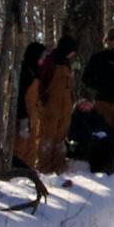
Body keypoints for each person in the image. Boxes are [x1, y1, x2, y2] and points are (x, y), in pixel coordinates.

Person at [37, 36, 77, 174]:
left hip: (65, 106)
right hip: (51, 105)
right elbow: (41, 81)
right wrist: (42, 97)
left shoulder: (66, 63)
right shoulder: (50, 61)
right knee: (47, 137)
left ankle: (58, 166)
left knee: (60, 137)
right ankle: (44, 167)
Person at [14, 42, 46, 168]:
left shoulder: (35, 72)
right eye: (41, 57)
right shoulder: (23, 72)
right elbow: (19, 97)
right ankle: (14, 174)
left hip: (32, 118)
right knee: (19, 147)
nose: (43, 60)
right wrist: (22, 117)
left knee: (31, 149)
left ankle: (28, 174)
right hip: (22, 118)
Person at [67, 99, 114, 174]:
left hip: (101, 142)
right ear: (78, 107)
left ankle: (109, 168)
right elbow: (72, 134)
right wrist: (90, 135)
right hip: (81, 146)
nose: (86, 106)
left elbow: (107, 129)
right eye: (83, 104)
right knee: (93, 142)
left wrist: (104, 134)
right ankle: (97, 169)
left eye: (88, 104)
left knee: (109, 141)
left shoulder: (99, 117)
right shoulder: (74, 118)